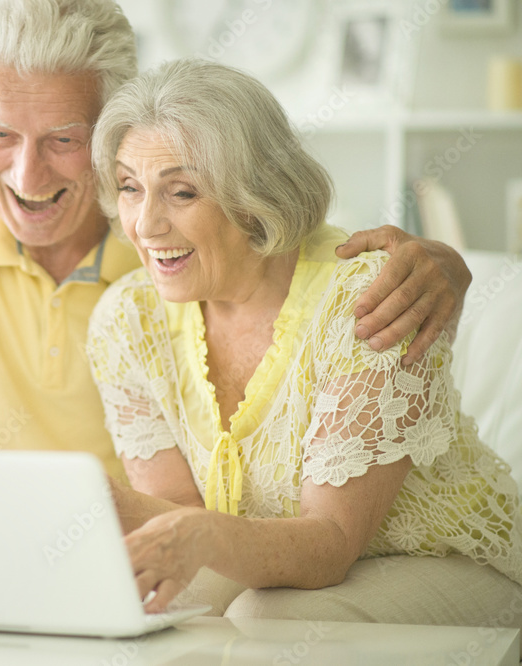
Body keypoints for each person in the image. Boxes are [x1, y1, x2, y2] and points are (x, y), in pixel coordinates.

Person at [0, 0, 473, 596]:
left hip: (117, 547)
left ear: (111, 125)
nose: (28, 179)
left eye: (65, 140)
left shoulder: (163, 226)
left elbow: (286, 245)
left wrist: (446, 265)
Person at [86, 58, 522, 631]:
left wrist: (193, 534)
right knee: (161, 607)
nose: (144, 225)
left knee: (267, 619)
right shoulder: (127, 318)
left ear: (252, 196)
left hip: (445, 559)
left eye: (182, 192)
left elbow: (331, 541)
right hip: (286, 562)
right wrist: (98, 505)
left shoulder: (369, 298)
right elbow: (182, 518)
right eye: (129, 188)